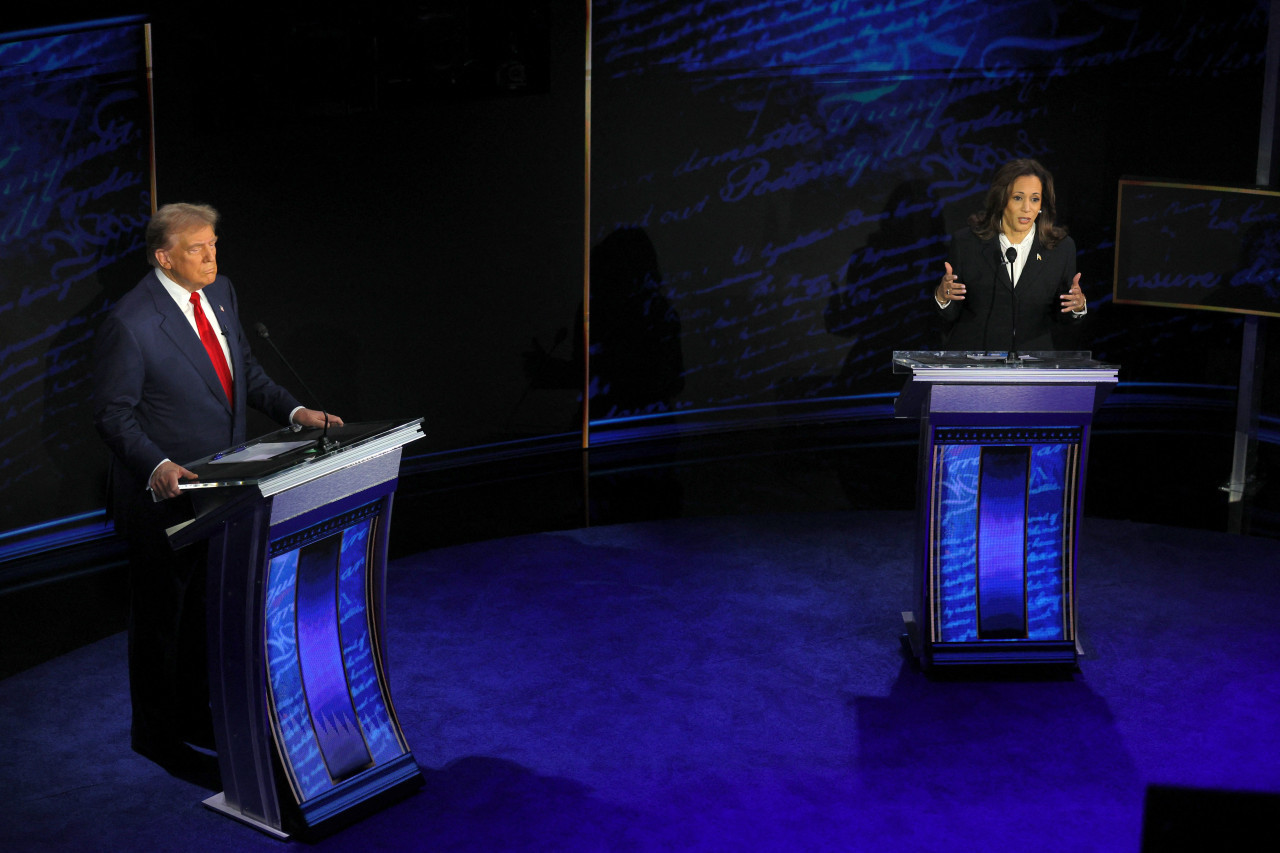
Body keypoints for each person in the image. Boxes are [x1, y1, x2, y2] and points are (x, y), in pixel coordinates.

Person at [92, 203, 341, 781]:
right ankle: (155, 735)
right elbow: (113, 415)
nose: (212, 256)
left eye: (213, 245)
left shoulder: (221, 292)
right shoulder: (129, 323)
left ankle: (194, 714)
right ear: (164, 257)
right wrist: (157, 463)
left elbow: (244, 372)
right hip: (167, 500)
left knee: (207, 611)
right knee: (163, 621)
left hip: (226, 490)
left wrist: (297, 410)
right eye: (198, 248)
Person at [934, 158, 1087, 352]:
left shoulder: (1061, 248)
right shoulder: (967, 243)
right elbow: (950, 314)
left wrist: (1077, 307)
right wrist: (943, 297)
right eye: (1018, 198)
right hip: (974, 362)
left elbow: (1063, 317)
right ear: (1001, 199)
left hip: (1031, 366)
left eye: (1034, 199)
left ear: (1042, 204)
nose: (1027, 208)